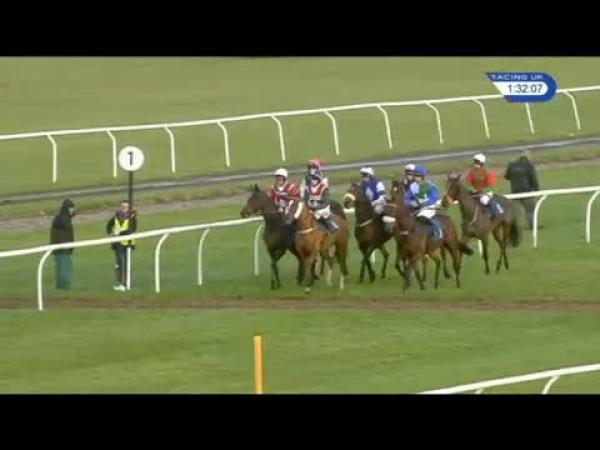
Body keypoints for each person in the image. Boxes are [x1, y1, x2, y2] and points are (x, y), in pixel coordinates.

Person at [106, 200, 138, 291]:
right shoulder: (116, 216)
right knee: (119, 264)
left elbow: (132, 229)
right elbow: (108, 226)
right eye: (123, 207)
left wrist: (119, 234)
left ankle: (125, 283)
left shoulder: (132, 218)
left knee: (125, 264)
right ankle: (121, 283)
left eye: (126, 207)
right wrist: (111, 234)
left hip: (128, 244)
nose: (124, 208)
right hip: (118, 244)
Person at [504, 149, 540, 229]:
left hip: (515, 192)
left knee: (514, 211)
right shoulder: (529, 165)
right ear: (528, 157)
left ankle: (512, 227)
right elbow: (533, 179)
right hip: (526, 192)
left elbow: (507, 176)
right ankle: (533, 226)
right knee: (530, 210)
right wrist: (537, 190)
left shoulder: (511, 165)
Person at [405, 165, 442, 239]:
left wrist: (423, 204)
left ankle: (436, 230)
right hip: (417, 207)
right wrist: (410, 203)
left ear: (422, 177)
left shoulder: (430, 186)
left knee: (421, 216)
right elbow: (406, 198)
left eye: (418, 176)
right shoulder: (412, 186)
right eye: (415, 175)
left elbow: (434, 198)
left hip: (430, 206)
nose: (416, 178)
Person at [465, 153, 504, 219]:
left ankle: (497, 211)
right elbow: (467, 183)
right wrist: (471, 189)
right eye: (475, 162)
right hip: (475, 192)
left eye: (477, 162)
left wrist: (481, 191)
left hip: (487, 191)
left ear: (481, 163)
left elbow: (491, 186)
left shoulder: (488, 172)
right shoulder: (471, 172)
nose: (475, 164)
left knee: (484, 200)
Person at [49, 199, 76, 289]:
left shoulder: (60, 217)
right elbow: (66, 224)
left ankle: (60, 285)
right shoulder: (63, 218)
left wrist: (71, 216)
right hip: (62, 246)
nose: (73, 210)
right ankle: (65, 285)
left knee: (60, 266)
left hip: (58, 246)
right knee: (65, 265)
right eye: (71, 208)